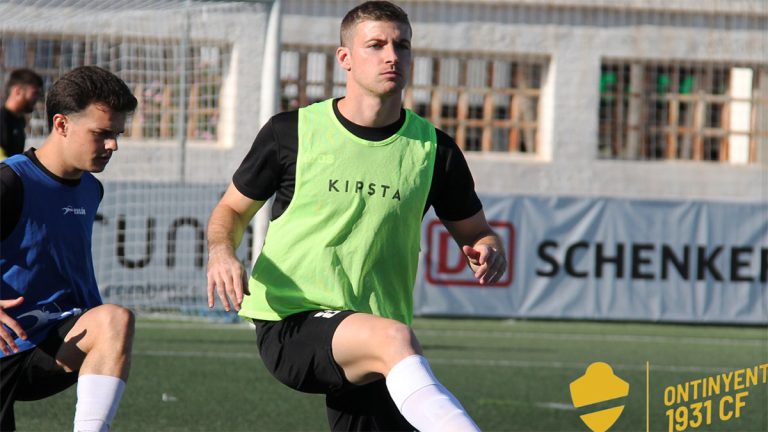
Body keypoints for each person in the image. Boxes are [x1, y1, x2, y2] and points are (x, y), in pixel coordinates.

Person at [206, 1, 506, 430]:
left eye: (402, 46)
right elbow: (231, 208)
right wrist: (221, 251)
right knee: (394, 339)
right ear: (345, 58)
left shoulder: (434, 149)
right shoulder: (290, 132)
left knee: (390, 342)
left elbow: (477, 232)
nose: (392, 56)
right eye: (377, 45)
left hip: (376, 336)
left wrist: (487, 248)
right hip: (292, 321)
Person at [0, 66, 137, 432]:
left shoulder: (92, 189)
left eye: (117, 134)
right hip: (5, 346)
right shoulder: (9, 182)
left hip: (51, 344)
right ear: (61, 124)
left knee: (114, 320)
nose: (113, 145)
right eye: (102, 133)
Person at [0, 69, 43, 160]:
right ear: (18, 91)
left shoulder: (20, 120)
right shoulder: (2, 118)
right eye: (34, 93)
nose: (36, 98)